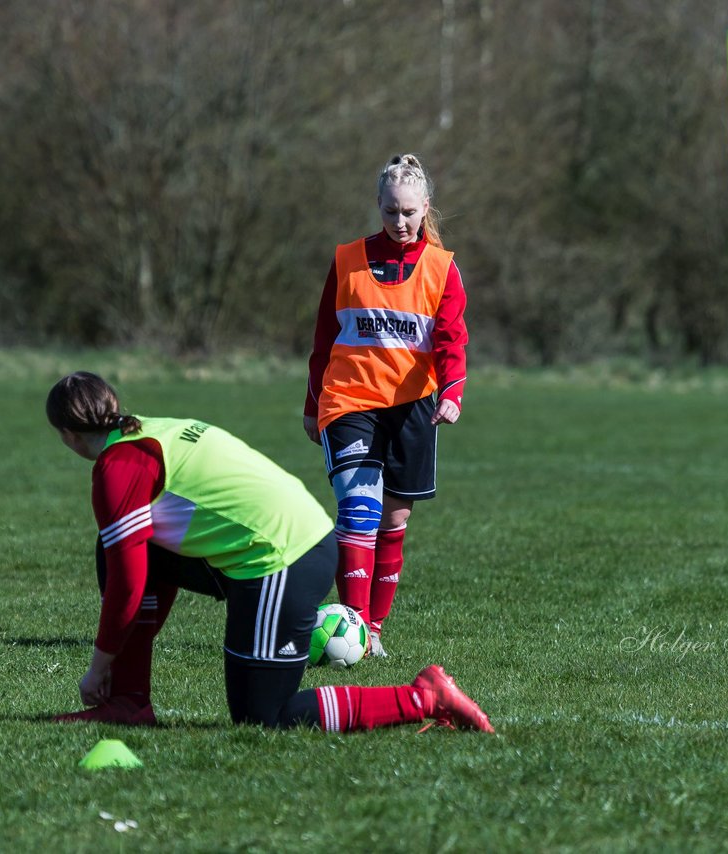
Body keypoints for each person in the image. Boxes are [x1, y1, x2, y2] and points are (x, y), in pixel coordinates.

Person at [46, 371, 492, 733]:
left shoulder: (117, 466)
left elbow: (127, 585)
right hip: (294, 538)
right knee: (119, 545)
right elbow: (136, 565)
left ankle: (423, 697)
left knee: (264, 718)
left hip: (284, 559)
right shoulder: (151, 427)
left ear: (67, 435)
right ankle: (128, 702)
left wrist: (100, 663)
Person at [303, 153, 468, 658]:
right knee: (358, 510)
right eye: (391, 211)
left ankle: (372, 630)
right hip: (350, 399)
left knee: (393, 522)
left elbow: (451, 339)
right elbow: (324, 337)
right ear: (378, 205)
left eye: (410, 213)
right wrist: (313, 404)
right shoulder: (347, 259)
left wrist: (453, 391)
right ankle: (351, 624)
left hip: (412, 406)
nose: (400, 222)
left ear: (425, 209)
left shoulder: (442, 267)